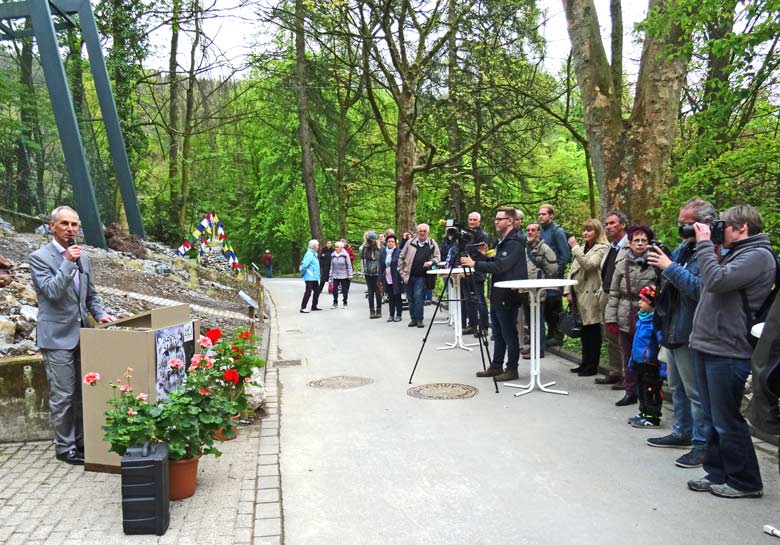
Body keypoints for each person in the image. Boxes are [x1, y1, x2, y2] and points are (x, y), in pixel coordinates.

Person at [686, 204, 775, 499]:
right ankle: (717, 473)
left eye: (723, 225)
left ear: (742, 228)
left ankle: (745, 481)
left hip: (729, 349)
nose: (717, 230)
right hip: (708, 343)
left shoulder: (758, 256)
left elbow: (716, 280)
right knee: (712, 416)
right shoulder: (733, 252)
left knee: (726, 419)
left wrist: (704, 245)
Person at [29, 206, 115, 465]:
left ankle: (80, 441)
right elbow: (52, 292)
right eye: (64, 223)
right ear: (52, 226)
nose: (70, 229)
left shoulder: (83, 257)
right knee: (63, 394)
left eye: (74, 225)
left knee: (82, 392)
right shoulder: (39, 258)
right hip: (56, 337)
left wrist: (100, 314)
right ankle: (64, 448)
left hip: (83, 334)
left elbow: (91, 294)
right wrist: (66, 262)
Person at [645, 199, 716, 470]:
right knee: (675, 387)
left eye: (686, 224)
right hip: (672, 325)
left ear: (704, 224)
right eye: (679, 222)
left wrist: (669, 267)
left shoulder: (711, 252)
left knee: (695, 392)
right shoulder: (685, 249)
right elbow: (670, 279)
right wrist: (660, 263)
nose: (681, 228)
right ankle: (681, 431)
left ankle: (702, 445)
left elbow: (700, 289)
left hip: (691, 330)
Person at [461, 207, 528, 382]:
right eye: (496, 219)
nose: (496, 221)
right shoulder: (502, 240)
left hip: (508, 294)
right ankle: (496, 366)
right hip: (498, 292)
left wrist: (475, 263)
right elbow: (497, 261)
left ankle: (512, 368)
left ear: (510, 221)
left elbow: (502, 266)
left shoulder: (515, 242)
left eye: (500, 219)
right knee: (497, 333)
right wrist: (485, 256)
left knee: (508, 333)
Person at [605, 225, 659, 407]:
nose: (640, 243)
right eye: (637, 240)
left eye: (644, 240)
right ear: (630, 242)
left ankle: (648, 394)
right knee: (627, 355)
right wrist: (611, 317)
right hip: (624, 312)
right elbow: (613, 292)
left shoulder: (656, 263)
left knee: (646, 356)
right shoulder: (622, 265)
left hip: (647, 315)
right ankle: (630, 391)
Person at [564, 219, 609, 376]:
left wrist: (574, 247)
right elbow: (572, 271)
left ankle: (592, 365)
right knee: (584, 331)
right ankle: (584, 362)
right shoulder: (582, 248)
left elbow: (589, 265)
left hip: (591, 294)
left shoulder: (602, 248)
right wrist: (568, 290)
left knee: (593, 331)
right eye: (584, 230)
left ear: (597, 232)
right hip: (578, 294)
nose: (585, 233)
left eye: (589, 230)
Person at [595, 210, 629, 386]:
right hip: (606, 294)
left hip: (621, 297)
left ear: (623, 224)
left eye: (612, 223)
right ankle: (615, 371)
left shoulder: (630, 245)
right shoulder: (612, 246)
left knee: (622, 335)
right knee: (609, 335)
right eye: (606, 224)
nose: (608, 227)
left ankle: (626, 375)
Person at [626, 285, 665, 428]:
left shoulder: (655, 323)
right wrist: (632, 360)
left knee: (651, 389)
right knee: (641, 388)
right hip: (639, 361)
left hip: (651, 362)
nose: (639, 303)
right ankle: (643, 412)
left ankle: (653, 416)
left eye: (643, 300)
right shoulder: (641, 320)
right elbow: (636, 341)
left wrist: (663, 367)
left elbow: (661, 344)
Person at [538, 205, 571, 347]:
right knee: (546, 306)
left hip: (554, 276)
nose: (540, 216)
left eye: (543, 214)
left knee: (555, 305)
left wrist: (558, 271)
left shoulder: (557, 231)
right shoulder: (541, 231)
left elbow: (566, 254)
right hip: (543, 276)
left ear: (551, 215)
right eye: (539, 214)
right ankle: (550, 333)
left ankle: (558, 335)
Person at [524, 223, 558, 359]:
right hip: (525, 290)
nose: (530, 232)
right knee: (529, 321)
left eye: (533, 230)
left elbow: (553, 270)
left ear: (539, 233)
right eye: (528, 230)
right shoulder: (524, 247)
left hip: (538, 291)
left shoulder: (545, 249)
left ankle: (539, 349)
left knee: (538, 320)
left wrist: (541, 278)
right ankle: (533, 346)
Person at [398, 223, 440, 328]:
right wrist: (402, 273)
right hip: (408, 275)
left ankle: (420, 319)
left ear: (427, 232)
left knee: (418, 297)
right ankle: (413, 318)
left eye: (424, 231)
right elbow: (401, 257)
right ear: (417, 232)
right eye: (420, 231)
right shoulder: (410, 243)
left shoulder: (432, 243)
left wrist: (431, 262)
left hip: (422, 276)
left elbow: (438, 257)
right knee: (410, 298)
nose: (422, 233)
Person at [461, 212, 490, 336]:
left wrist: (472, 264)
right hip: (464, 270)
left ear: (479, 221)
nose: (472, 222)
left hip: (477, 271)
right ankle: (472, 325)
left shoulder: (483, 236)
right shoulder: (465, 235)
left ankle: (484, 327)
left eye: (474, 220)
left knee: (479, 300)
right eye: (470, 219)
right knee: (469, 299)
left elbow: (481, 255)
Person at [379, 234, 403, 322]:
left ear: (395, 243)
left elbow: (402, 265)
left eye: (392, 241)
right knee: (390, 297)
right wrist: (380, 279)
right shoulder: (383, 252)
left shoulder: (399, 252)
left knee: (397, 297)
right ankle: (391, 315)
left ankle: (399, 314)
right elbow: (381, 266)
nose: (390, 243)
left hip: (396, 278)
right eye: (389, 241)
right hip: (387, 278)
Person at [360, 230, 383, 319]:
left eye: (373, 240)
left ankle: (378, 310)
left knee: (378, 292)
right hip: (368, 272)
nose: (372, 241)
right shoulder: (364, 248)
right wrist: (365, 245)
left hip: (377, 273)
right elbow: (362, 258)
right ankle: (372, 311)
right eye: (370, 240)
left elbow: (381, 259)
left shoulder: (380, 248)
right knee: (370, 292)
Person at [329, 241, 353, 308]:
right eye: (335, 247)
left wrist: (350, 274)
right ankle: (335, 302)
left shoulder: (345, 255)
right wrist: (330, 275)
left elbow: (349, 265)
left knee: (344, 289)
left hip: (344, 275)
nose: (335, 248)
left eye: (337, 247)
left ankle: (345, 302)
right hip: (335, 275)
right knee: (334, 290)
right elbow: (331, 266)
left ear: (341, 248)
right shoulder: (333, 255)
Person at [300, 239, 322, 313]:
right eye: (317, 245)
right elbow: (305, 265)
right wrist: (303, 273)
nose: (318, 247)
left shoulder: (313, 254)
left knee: (317, 290)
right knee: (308, 291)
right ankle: (303, 308)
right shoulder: (309, 254)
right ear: (314, 246)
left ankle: (314, 306)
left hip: (314, 277)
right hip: (309, 276)